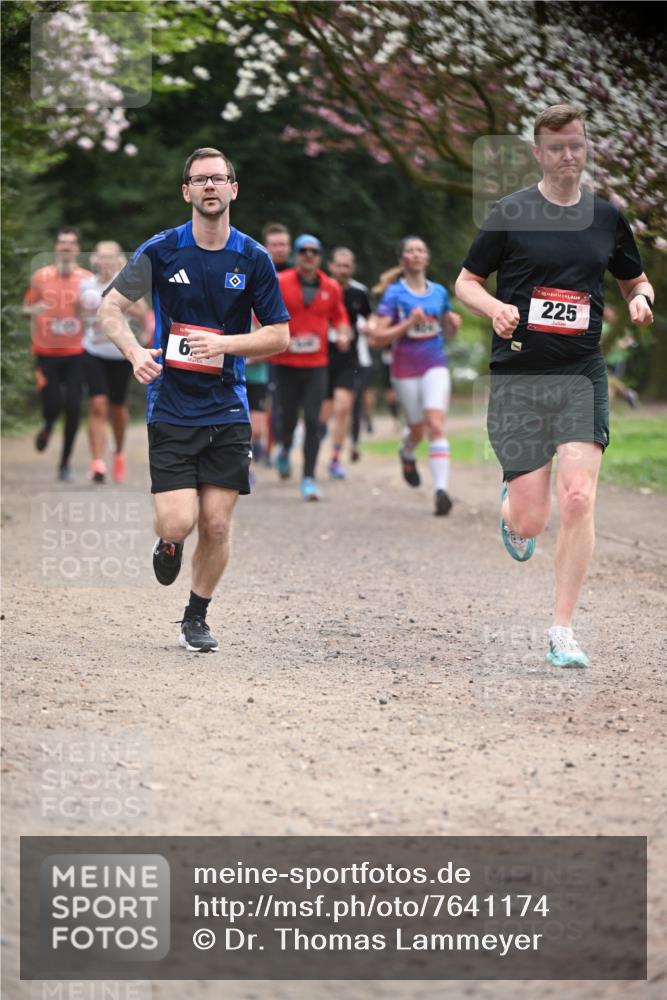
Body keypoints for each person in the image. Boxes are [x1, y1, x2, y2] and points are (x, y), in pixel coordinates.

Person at [455, 103, 654, 668]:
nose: (569, 155)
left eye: (577, 145)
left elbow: (635, 278)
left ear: (585, 148)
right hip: (519, 375)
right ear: (539, 153)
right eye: (558, 147)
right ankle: (510, 511)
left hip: (580, 372)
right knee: (532, 519)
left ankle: (562, 630)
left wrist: (640, 298)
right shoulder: (510, 212)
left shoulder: (606, 218)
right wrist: (495, 307)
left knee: (578, 496)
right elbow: (466, 282)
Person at [97, 147, 290, 652]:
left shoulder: (253, 258)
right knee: (180, 521)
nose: (210, 186)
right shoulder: (162, 250)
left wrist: (225, 344)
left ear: (233, 189)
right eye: (200, 179)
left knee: (218, 523)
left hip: (228, 406)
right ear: (186, 192)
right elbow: (110, 309)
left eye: (218, 178)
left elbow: (279, 336)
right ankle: (167, 541)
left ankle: (195, 617)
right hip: (172, 404)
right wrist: (134, 350)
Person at [369, 236, 462, 516]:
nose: (416, 254)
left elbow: (447, 329)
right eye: (410, 251)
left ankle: (441, 491)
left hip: (435, 363)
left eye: (421, 250)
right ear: (402, 260)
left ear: (426, 258)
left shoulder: (439, 293)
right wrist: (408, 322)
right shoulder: (394, 294)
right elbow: (377, 338)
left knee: (435, 424)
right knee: (417, 429)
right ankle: (407, 452)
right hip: (404, 369)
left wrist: (452, 324)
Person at [271, 234, 351, 501]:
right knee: (288, 418)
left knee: (314, 420)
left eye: (314, 252)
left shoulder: (331, 287)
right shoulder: (281, 282)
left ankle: (308, 478)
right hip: (285, 363)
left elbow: (340, 318)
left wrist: (342, 334)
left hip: (317, 364)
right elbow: (262, 312)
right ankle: (283, 448)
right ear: (295, 254)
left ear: (319, 257)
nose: (309, 255)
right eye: (303, 251)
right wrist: (270, 334)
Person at [23, 227, 92, 481]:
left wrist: (86, 312)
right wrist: (36, 309)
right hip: (46, 352)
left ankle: (64, 463)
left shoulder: (87, 279)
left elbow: (96, 314)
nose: (66, 247)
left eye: (71, 243)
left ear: (77, 248)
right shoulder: (41, 277)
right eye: (62, 243)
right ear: (55, 247)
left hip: (77, 351)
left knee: (73, 406)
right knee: (52, 404)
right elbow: (25, 307)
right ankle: (48, 424)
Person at [79, 241, 150, 483]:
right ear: (94, 260)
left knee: (118, 408)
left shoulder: (126, 283)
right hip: (93, 351)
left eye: (110, 257)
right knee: (98, 404)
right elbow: (77, 313)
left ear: (118, 260)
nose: (105, 262)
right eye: (101, 257)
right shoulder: (86, 285)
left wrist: (119, 295)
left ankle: (119, 453)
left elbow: (142, 313)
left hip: (121, 354)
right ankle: (97, 462)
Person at [323, 246, 372, 477]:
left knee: (343, 408)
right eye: (339, 265)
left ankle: (334, 458)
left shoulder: (359, 292)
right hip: (320, 356)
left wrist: (371, 328)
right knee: (322, 412)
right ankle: (309, 439)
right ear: (330, 265)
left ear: (352, 267)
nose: (343, 270)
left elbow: (371, 319)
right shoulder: (321, 287)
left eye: (347, 265)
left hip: (347, 356)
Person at [261, 223, 293, 459]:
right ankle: (262, 445)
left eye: (283, 244)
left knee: (283, 402)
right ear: (265, 246)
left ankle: (280, 444)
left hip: (291, 348)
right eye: (274, 245)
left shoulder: (299, 273)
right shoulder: (256, 269)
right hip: (261, 348)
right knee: (265, 400)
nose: (279, 249)